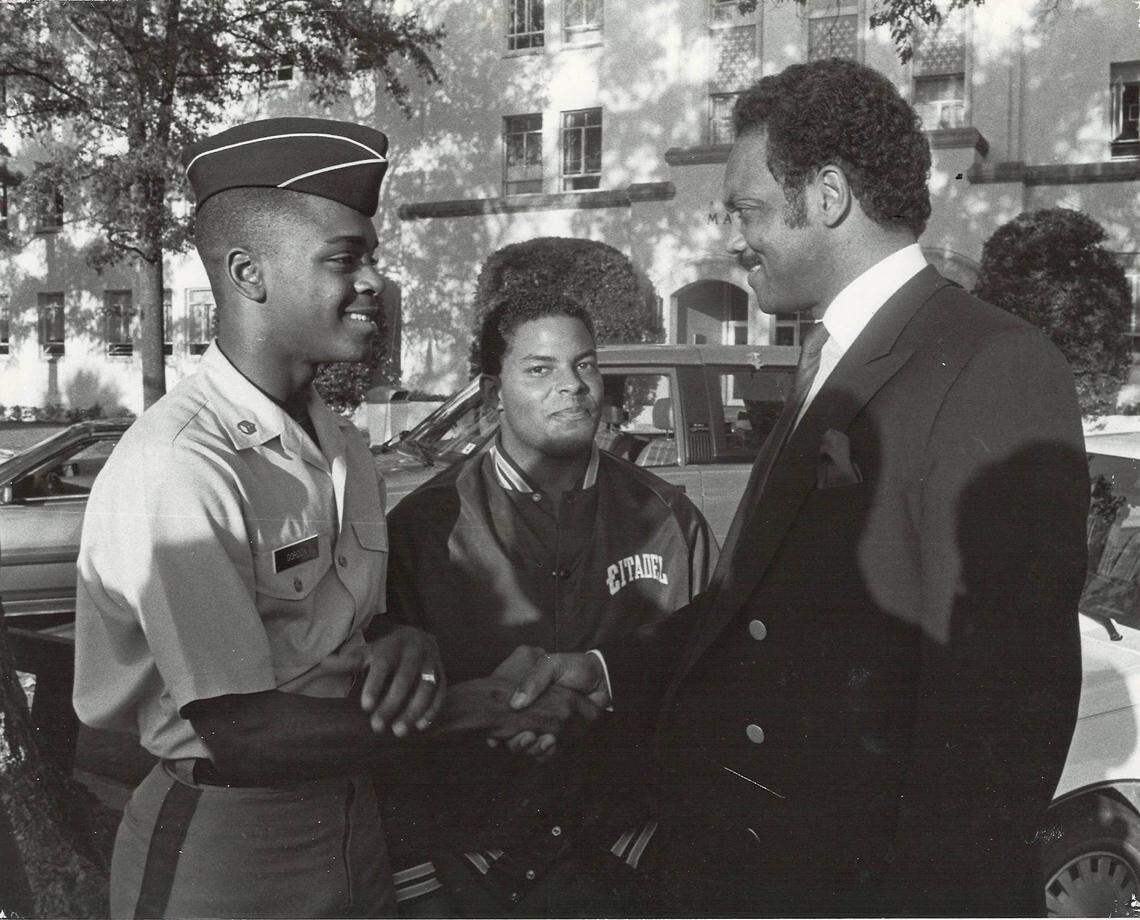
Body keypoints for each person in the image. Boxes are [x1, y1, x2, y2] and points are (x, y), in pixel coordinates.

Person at [507, 58, 1089, 916]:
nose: (733, 239)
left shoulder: (992, 364)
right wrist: (604, 670)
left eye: (745, 209)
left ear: (827, 195)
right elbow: (758, 612)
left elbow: (1001, 714)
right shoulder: (834, 354)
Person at [72, 117, 550, 919]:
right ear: (248, 272)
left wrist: (404, 640)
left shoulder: (339, 443)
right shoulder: (183, 463)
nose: (374, 282)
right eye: (345, 258)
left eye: (372, 258)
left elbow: (340, 626)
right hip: (227, 841)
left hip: (350, 817)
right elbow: (242, 731)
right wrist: (474, 706)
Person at [382, 289, 716, 916]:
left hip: (623, 861)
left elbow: (710, 692)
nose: (572, 386)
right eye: (540, 369)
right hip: (472, 873)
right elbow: (391, 728)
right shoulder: (424, 529)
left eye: (585, 365)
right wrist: (421, 887)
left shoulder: (669, 518)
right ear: (493, 391)